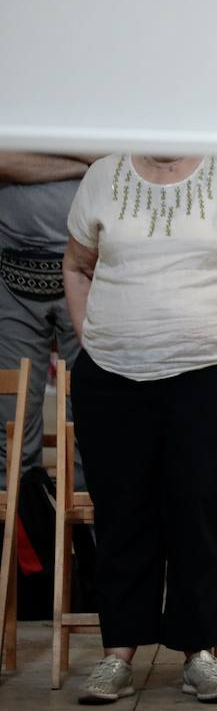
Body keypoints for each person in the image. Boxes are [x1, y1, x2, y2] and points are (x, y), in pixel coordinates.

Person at [63, 154, 217, 704]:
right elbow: (75, 264)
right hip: (113, 377)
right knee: (121, 513)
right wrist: (89, 338)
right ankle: (117, 651)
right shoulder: (103, 174)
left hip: (213, 372)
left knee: (200, 510)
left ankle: (201, 652)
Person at [0, 153, 95, 488]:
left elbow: (116, 156)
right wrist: (81, 163)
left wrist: (35, 163)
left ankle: (86, 541)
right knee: (11, 426)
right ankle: (14, 537)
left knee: (90, 424)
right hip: (11, 273)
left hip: (92, 271)